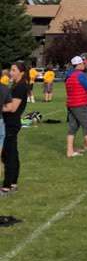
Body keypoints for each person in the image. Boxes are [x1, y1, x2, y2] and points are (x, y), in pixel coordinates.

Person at [1, 62, 30, 194]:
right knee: (12, 153)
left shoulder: (20, 87)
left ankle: (7, 186)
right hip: (10, 123)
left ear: (21, 72)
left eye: (14, 70)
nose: (11, 73)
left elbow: (12, 108)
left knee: (9, 155)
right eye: (10, 70)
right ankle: (13, 183)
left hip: (11, 124)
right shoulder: (16, 85)